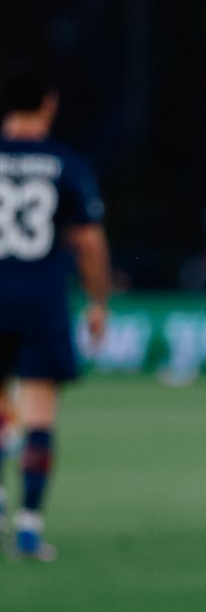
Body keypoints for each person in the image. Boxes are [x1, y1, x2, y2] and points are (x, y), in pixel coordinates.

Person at [0, 64, 111, 560]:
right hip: (41, 299)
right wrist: (98, 301)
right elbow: (89, 242)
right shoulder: (66, 163)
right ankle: (29, 525)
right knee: (39, 413)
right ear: (48, 105)